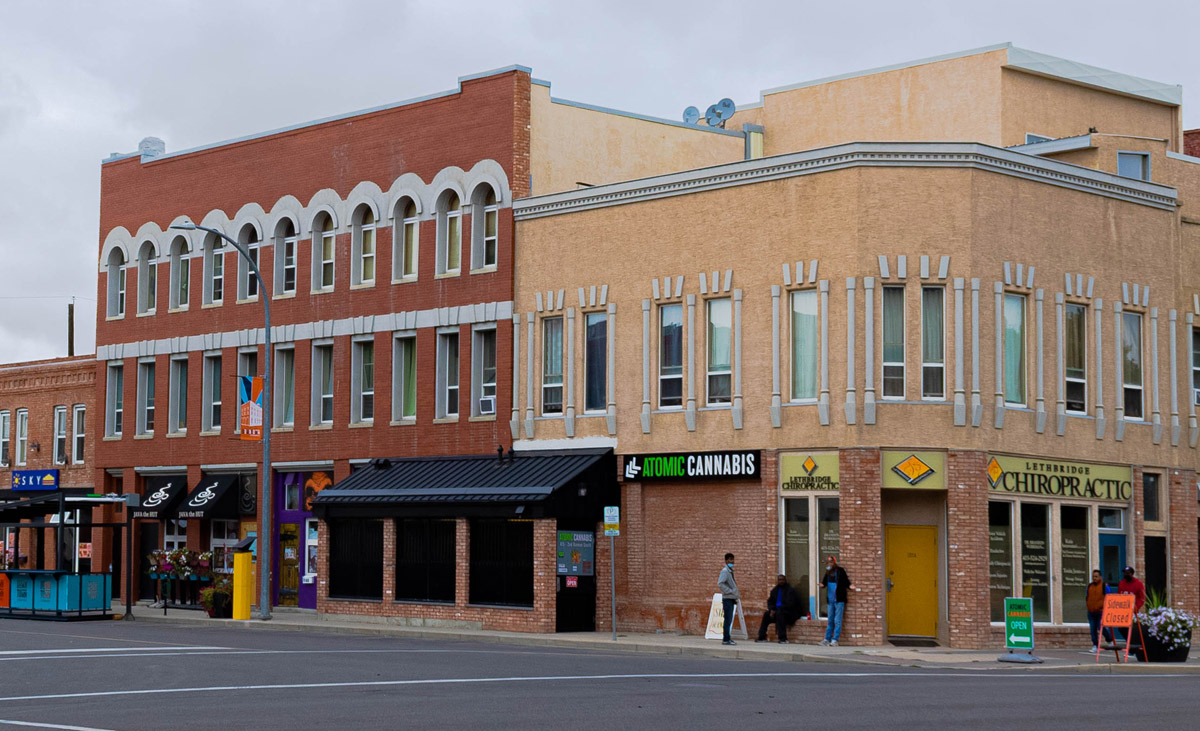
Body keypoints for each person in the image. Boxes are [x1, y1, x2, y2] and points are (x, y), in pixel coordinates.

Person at [756, 574, 801, 644]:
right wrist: (772, 610)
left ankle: (783, 638)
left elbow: (790, 604)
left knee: (780, 614)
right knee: (766, 614)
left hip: (788, 613)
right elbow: (770, 601)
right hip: (776, 612)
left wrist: (777, 610)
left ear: (785, 580)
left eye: (782, 580)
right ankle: (762, 636)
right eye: (779, 580)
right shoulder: (775, 590)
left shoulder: (790, 590)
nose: (781, 581)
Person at [819, 555, 850, 647]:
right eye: (828, 562)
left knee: (838, 620)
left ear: (835, 562)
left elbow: (846, 581)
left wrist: (850, 586)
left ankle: (835, 639)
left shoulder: (840, 571)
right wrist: (822, 585)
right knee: (830, 620)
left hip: (839, 599)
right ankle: (827, 639)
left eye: (831, 562)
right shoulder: (828, 572)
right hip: (830, 599)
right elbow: (824, 583)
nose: (830, 564)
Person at [717, 552, 740, 645]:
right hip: (727, 598)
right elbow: (720, 583)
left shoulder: (730, 571)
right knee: (728, 619)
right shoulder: (725, 571)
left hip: (731, 598)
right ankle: (726, 639)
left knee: (729, 619)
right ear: (726, 561)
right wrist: (730, 591)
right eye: (730, 560)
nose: (732, 561)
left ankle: (727, 638)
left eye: (733, 559)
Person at [1085, 569, 1108, 652]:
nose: (1094, 578)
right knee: (1092, 629)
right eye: (1093, 577)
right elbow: (1087, 596)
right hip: (1091, 612)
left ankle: (1109, 639)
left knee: (1101, 627)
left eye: (1096, 577)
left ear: (1100, 577)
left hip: (1100, 611)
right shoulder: (1090, 586)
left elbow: (1109, 598)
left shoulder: (1104, 586)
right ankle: (1095, 645)